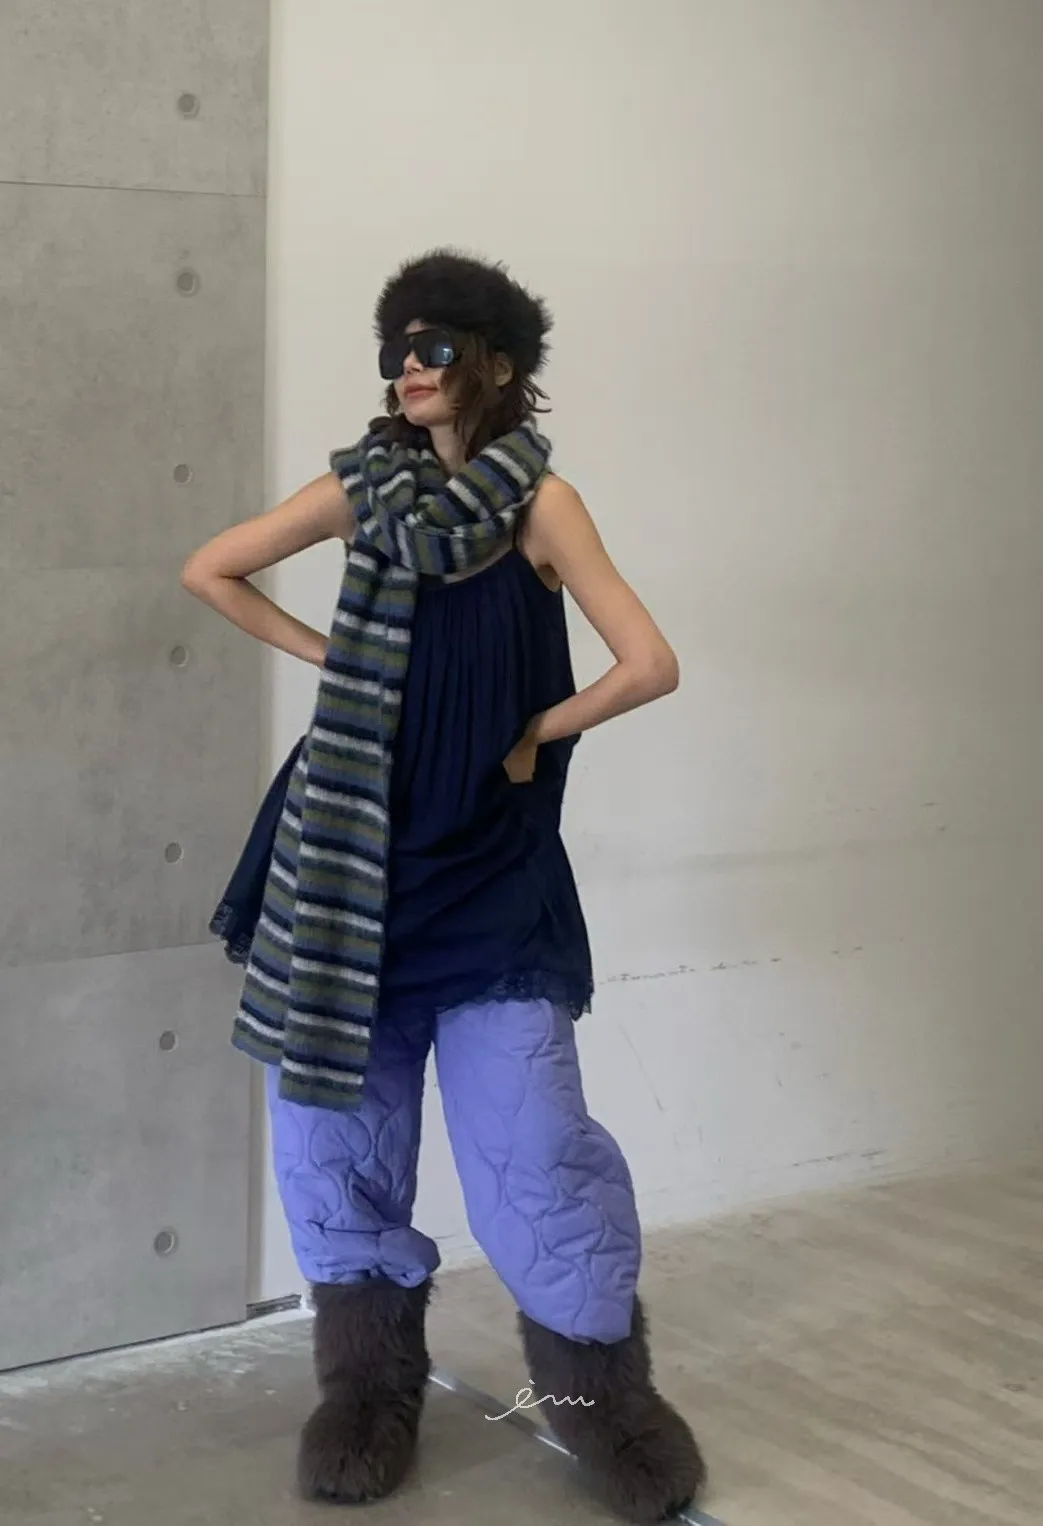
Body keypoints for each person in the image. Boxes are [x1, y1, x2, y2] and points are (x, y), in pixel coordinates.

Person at [181, 249, 705, 1522]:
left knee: (537, 1148)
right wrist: (334, 656)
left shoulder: (543, 506)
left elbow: (649, 661)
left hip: (486, 867)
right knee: (337, 1141)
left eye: (436, 345)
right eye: (396, 348)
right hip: (342, 863)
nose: (409, 367)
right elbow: (211, 567)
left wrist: (537, 732)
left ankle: (604, 1401)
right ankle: (366, 1393)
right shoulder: (360, 492)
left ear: (498, 364)